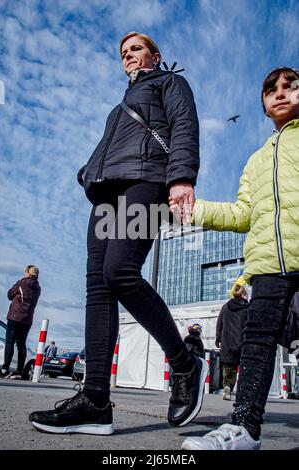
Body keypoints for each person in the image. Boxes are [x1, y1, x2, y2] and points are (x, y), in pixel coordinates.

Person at [29, 32, 208, 435]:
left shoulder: (169, 83)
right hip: (107, 192)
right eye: (124, 52)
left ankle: (184, 364)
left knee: (121, 272)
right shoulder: (118, 106)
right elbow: (110, 146)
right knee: (98, 287)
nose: (128, 56)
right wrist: (88, 172)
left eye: (136, 49)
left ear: (155, 55)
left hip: (146, 182)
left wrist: (181, 177)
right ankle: (94, 400)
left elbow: (183, 126)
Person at [170, 66, 299, 450]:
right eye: (271, 89)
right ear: (262, 104)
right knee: (258, 342)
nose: (280, 93)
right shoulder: (255, 161)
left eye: (291, 86)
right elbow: (243, 214)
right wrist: (198, 211)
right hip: (267, 263)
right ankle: (243, 427)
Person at [0, 265, 41, 380]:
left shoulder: (21, 283)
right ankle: (19, 371)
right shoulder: (38, 288)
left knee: (10, 342)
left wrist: (19, 284)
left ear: (28, 273)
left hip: (15, 316)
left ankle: (5, 369)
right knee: (21, 344)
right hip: (27, 319)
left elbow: (9, 295)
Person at [215, 285, 248, 401]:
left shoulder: (225, 306)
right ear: (243, 294)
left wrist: (218, 339)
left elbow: (219, 324)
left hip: (227, 342)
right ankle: (244, 393)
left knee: (229, 368)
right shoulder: (247, 308)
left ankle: (227, 387)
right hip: (242, 342)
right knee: (244, 367)